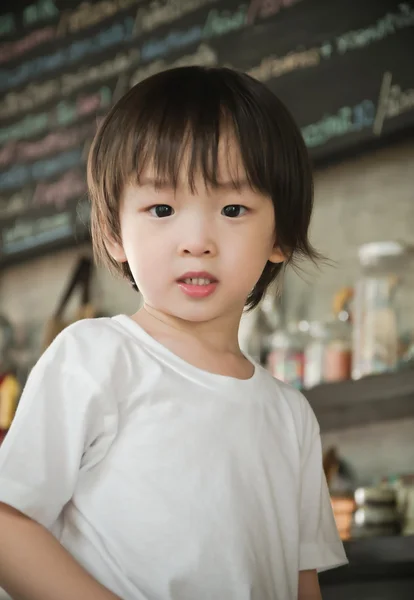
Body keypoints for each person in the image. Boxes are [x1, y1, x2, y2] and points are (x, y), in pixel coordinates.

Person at [0, 66, 347, 600]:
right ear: (115, 232)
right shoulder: (95, 357)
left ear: (280, 235)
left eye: (233, 209)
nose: (197, 240)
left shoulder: (290, 416)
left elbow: (301, 581)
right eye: (162, 209)